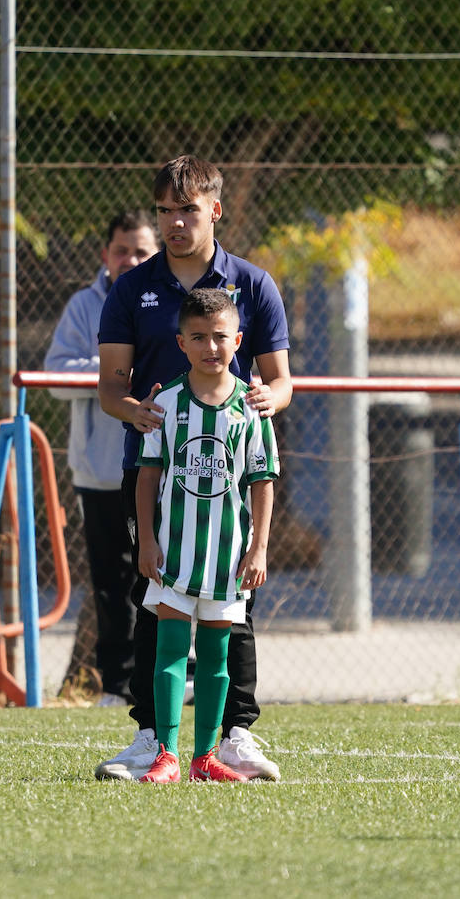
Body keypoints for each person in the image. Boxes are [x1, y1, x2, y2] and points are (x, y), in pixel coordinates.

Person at [96, 154, 292, 780]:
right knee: (153, 598)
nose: (176, 223)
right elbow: (111, 388)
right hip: (157, 468)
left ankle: (234, 735)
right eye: (166, 211)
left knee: (237, 597)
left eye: (188, 209)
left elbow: (279, 382)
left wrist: (270, 398)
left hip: (229, 475)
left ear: (215, 208)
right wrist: (139, 412)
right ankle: (153, 738)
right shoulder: (132, 288)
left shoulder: (254, 284)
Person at [135, 289, 278, 783]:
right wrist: (148, 542)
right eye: (198, 337)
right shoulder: (168, 403)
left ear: (238, 341)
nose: (210, 347)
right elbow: (148, 476)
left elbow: (262, 481)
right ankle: (167, 753)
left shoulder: (251, 407)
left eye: (220, 337)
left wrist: (258, 546)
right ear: (181, 342)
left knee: (217, 658)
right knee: (171, 649)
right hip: (175, 552)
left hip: (228, 554)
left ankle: (205, 758)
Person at [44, 209, 159, 707]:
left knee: (163, 578)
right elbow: (55, 374)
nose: (131, 259)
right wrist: (112, 370)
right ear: (105, 255)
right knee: (111, 585)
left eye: (141, 251)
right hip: (102, 474)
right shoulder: (84, 306)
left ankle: (171, 677)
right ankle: (116, 685)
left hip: (161, 472)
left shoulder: (167, 300)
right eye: (122, 250)